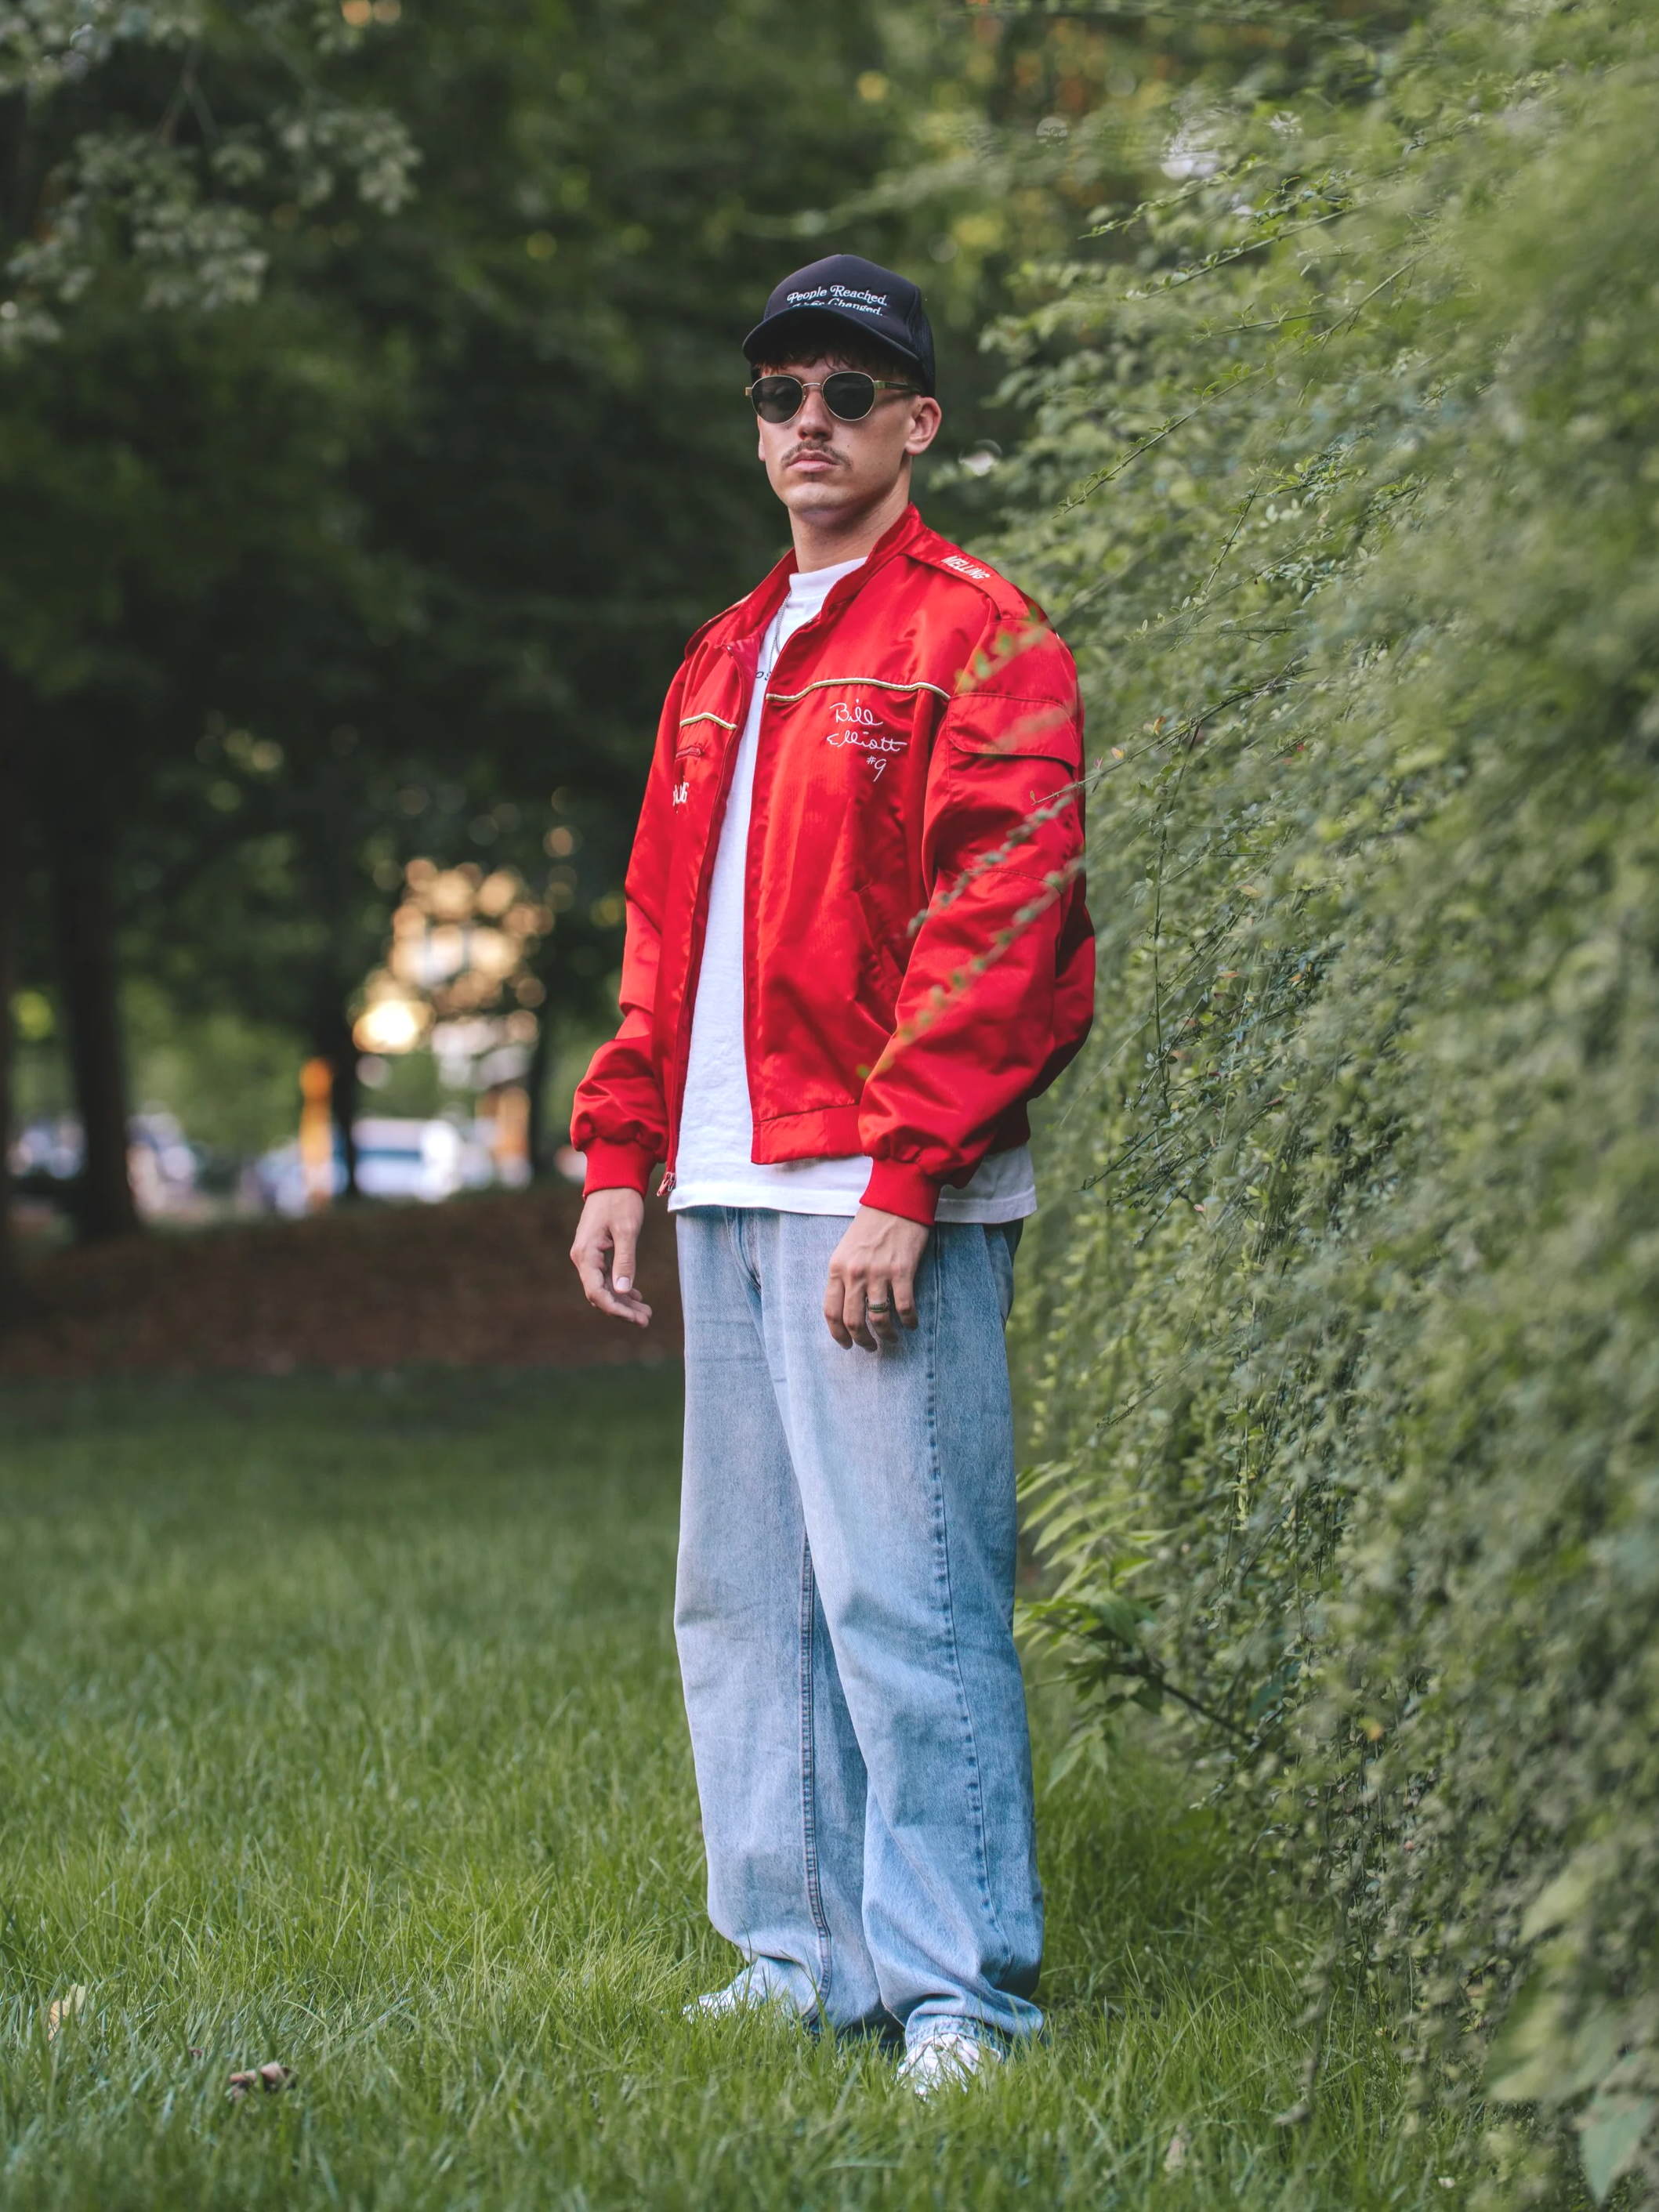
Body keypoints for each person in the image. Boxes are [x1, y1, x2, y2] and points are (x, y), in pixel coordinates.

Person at [568, 253, 1094, 2093]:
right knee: (744, 1600)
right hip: (722, 1184)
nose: (806, 426)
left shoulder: (982, 637)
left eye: (844, 396)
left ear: (912, 424)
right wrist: (618, 1145)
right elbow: (660, 932)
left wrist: (904, 1176)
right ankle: (798, 1955)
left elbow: (1002, 924)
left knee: (911, 1594)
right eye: (780, 395)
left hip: (877, 1191)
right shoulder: (720, 655)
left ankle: (961, 1989)